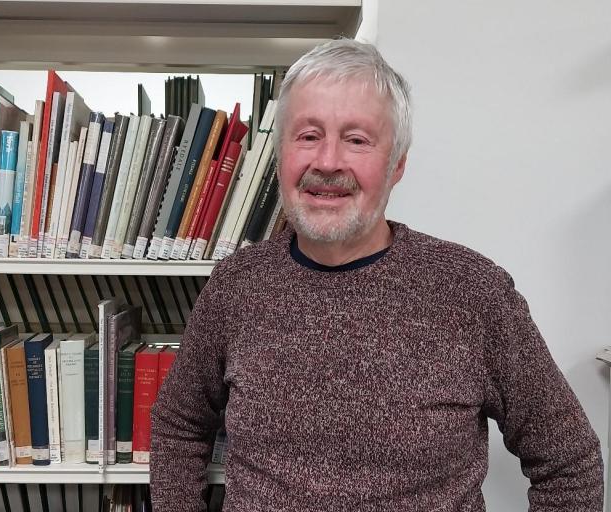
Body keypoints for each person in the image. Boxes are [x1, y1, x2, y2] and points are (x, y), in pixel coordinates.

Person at [150, 38, 603, 511]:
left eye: (357, 139)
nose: (327, 162)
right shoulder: (235, 287)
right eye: (307, 135)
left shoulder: (474, 293)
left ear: (397, 165)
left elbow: (568, 462)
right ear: (280, 155)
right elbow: (179, 427)